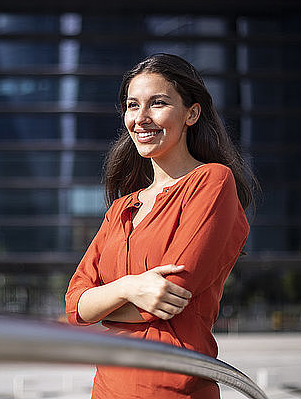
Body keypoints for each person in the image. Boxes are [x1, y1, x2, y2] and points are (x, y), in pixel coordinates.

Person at [65, 53, 257, 399]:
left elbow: (169, 296)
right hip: (107, 387)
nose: (141, 118)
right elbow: (75, 306)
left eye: (158, 104)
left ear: (192, 114)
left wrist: (104, 305)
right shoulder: (122, 208)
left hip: (172, 387)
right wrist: (128, 288)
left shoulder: (211, 182)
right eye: (132, 105)